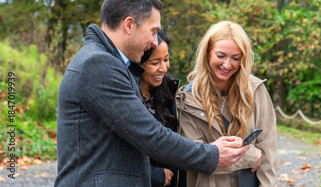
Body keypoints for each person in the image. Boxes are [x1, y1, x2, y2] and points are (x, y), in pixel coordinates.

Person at [55, 1, 249, 186]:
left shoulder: (112, 63)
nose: (155, 42)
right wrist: (212, 154)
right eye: (153, 31)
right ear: (129, 25)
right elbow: (151, 136)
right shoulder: (98, 65)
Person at [175, 21, 277, 187]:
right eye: (220, 56)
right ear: (208, 53)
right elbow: (195, 157)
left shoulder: (256, 90)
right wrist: (250, 156)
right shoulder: (188, 98)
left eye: (235, 58)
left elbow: (268, 152)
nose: (227, 65)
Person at [135, 30, 186, 187]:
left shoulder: (170, 91)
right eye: (154, 63)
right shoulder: (126, 96)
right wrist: (154, 175)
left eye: (166, 59)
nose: (163, 68)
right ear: (138, 63)